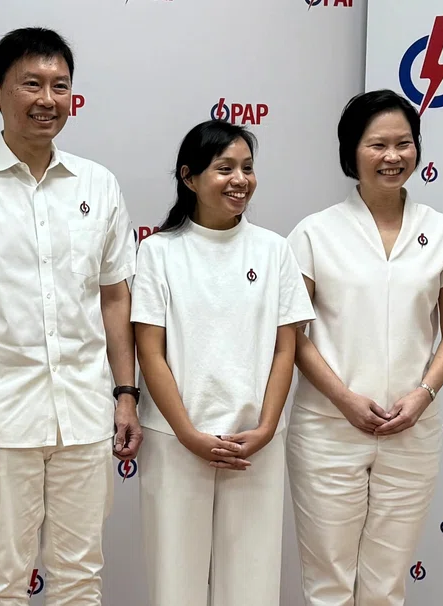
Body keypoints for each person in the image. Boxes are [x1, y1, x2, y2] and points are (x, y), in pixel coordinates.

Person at [0, 27, 141, 605]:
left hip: (85, 413)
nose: (47, 99)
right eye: (31, 84)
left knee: (81, 575)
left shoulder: (98, 184)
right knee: (2, 579)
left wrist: (126, 394)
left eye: (60, 86)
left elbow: (115, 298)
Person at [285, 89, 443, 606]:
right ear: (352, 152)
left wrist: (424, 394)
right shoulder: (314, 233)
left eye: (404, 144)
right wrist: (344, 399)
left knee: (386, 584)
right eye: (378, 145)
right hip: (328, 429)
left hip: (411, 429)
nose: (392, 157)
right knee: (329, 582)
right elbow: (292, 334)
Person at [132, 119, 315, 606]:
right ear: (189, 177)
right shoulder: (158, 252)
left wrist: (267, 427)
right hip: (176, 441)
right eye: (225, 168)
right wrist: (189, 433)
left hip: (254, 442)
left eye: (248, 168)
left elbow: (286, 348)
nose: (240, 180)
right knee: (176, 584)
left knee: (252, 585)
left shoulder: (274, 251)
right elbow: (149, 351)